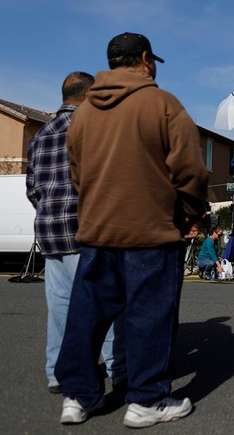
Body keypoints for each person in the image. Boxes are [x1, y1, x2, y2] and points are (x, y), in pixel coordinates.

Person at [55, 32, 209, 427]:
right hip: (150, 231)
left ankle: (77, 395)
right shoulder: (162, 104)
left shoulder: (85, 112)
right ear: (145, 59)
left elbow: (76, 174)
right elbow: (189, 169)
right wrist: (191, 211)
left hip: (96, 229)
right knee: (149, 315)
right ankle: (147, 399)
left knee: (86, 315)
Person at [25, 72, 126, 395]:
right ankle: (115, 366)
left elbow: (32, 188)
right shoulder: (92, 128)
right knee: (104, 302)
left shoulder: (41, 135)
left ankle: (57, 372)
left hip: (51, 231)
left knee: (60, 307)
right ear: (88, 96)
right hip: (87, 228)